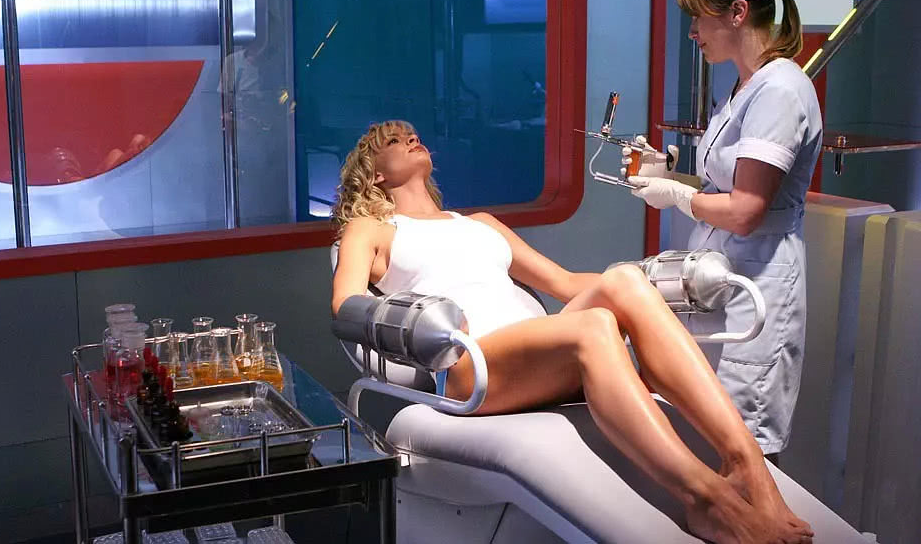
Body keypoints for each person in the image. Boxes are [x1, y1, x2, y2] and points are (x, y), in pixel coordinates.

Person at [331, 120, 814, 544]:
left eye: (411, 133)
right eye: (393, 140)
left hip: (538, 351)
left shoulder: (479, 224)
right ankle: (705, 499)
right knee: (595, 324)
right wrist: (421, 320)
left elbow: (563, 283)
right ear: (375, 174)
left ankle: (746, 464)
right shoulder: (370, 229)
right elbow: (346, 307)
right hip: (470, 367)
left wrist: (648, 289)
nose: (409, 138)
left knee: (623, 282)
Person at [626, 0, 822, 459]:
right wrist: (666, 175)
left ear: (737, 12)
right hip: (721, 278)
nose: (692, 32)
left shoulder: (781, 90)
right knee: (707, 435)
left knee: (744, 444)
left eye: (699, 18)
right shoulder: (744, 86)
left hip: (758, 282)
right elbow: (726, 184)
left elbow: (745, 210)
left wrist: (679, 196)